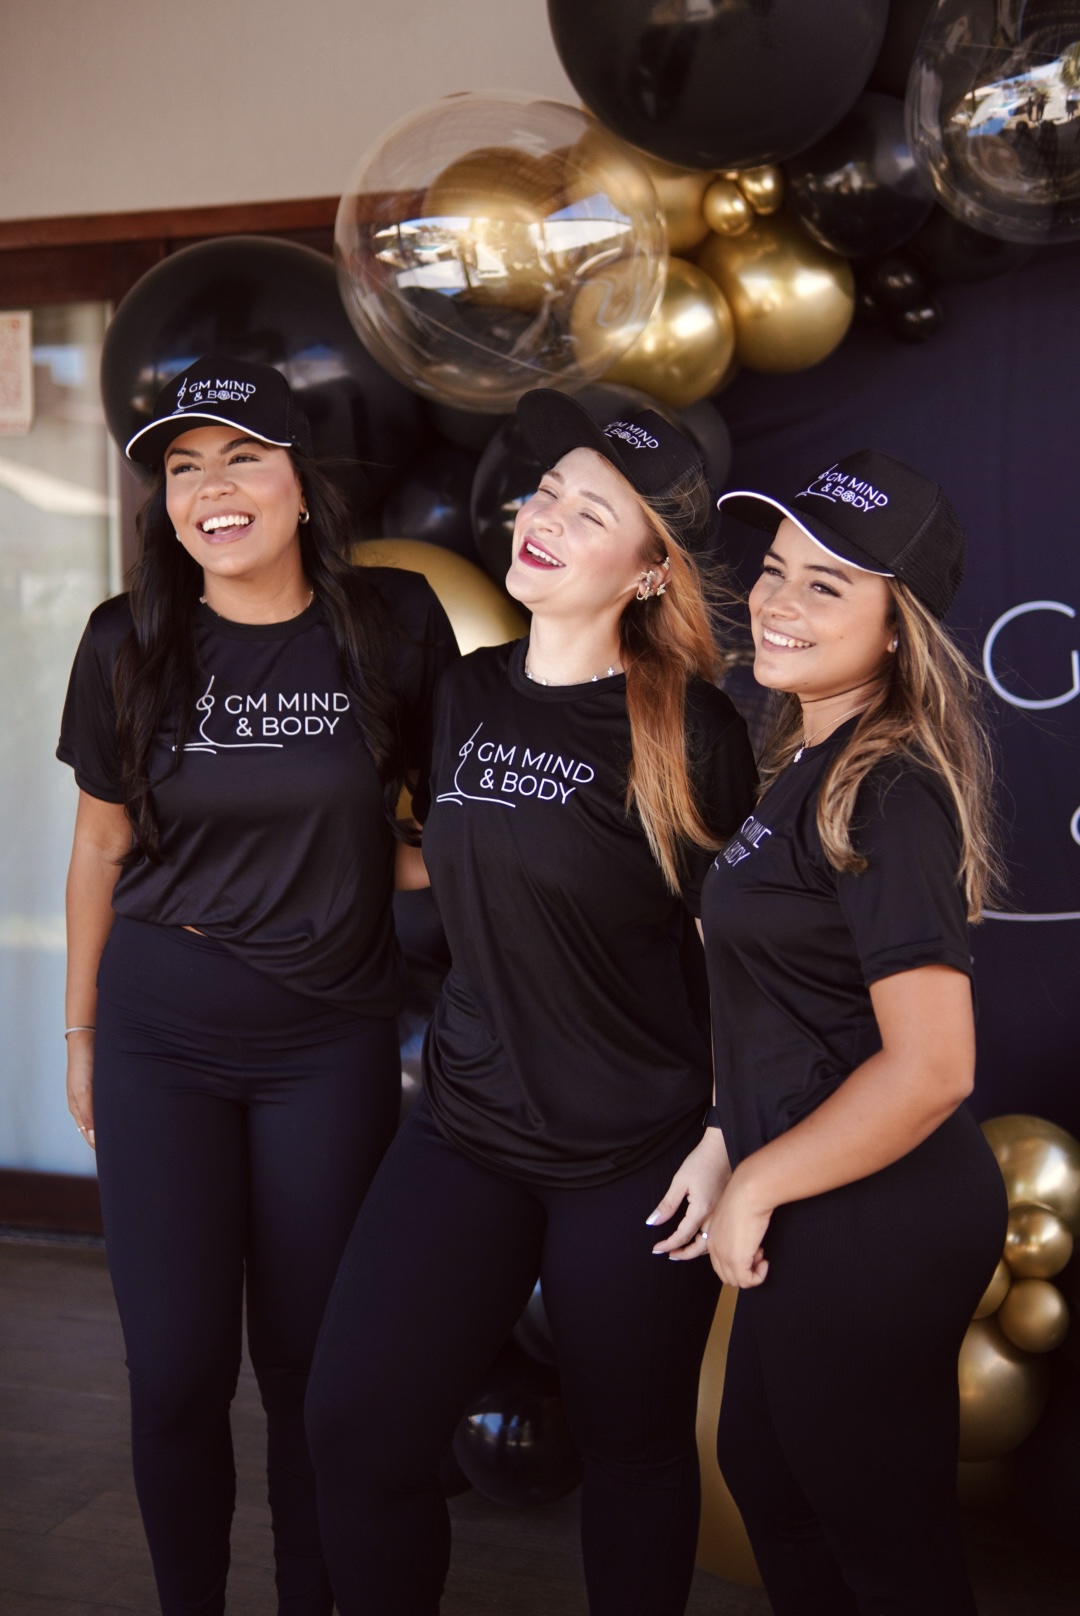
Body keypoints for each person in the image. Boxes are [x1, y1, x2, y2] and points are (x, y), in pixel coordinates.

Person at [305, 390, 758, 1616]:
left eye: (590, 510)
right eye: (547, 491)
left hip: (636, 1154)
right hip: (467, 1126)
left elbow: (745, 956)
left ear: (650, 572)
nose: (544, 516)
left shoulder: (694, 732)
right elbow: (443, 865)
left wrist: (730, 1135)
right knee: (355, 1431)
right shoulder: (463, 695)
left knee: (634, 1448)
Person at [57, 355, 456, 1616]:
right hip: (160, 1031)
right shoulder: (127, 638)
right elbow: (100, 847)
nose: (211, 490)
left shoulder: (392, 623)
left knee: (309, 1371)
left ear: (299, 481)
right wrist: (80, 1030)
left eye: (241, 457)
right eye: (184, 468)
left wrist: (382, 878)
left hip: (326, 1042)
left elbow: (445, 824)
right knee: (176, 1372)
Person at [701, 452, 1009, 1615]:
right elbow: (783, 1006)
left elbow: (933, 1066)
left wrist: (758, 1178)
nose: (778, 600)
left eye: (827, 584)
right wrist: (725, 1137)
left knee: (888, 1547)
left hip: (879, 1212)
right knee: (772, 1476)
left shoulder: (889, 789)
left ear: (896, 630)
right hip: (822, 1194)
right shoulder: (808, 762)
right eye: (777, 569)